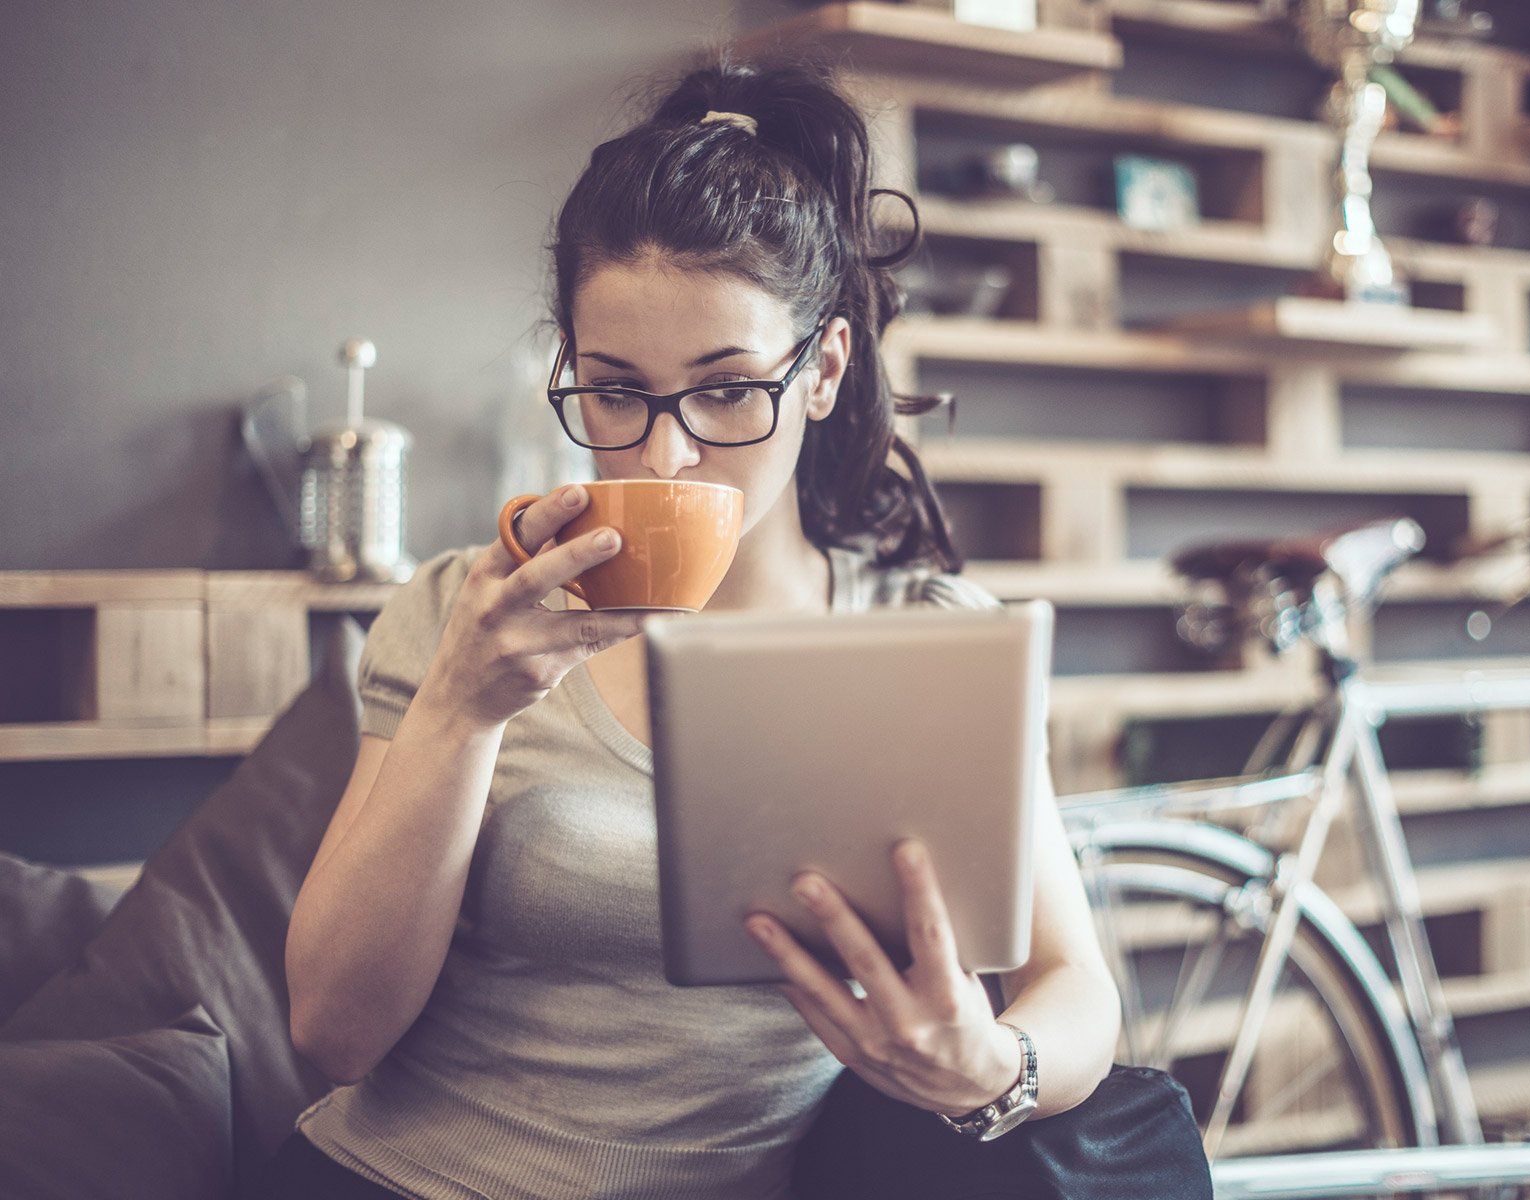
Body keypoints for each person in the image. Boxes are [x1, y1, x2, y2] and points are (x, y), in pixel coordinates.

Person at [245, 49, 1132, 1200]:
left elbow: (1078, 988)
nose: (663, 452)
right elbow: (332, 1032)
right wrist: (462, 710)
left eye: (725, 389)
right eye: (613, 389)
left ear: (822, 369)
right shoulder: (470, 611)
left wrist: (989, 1066)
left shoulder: (918, 636)